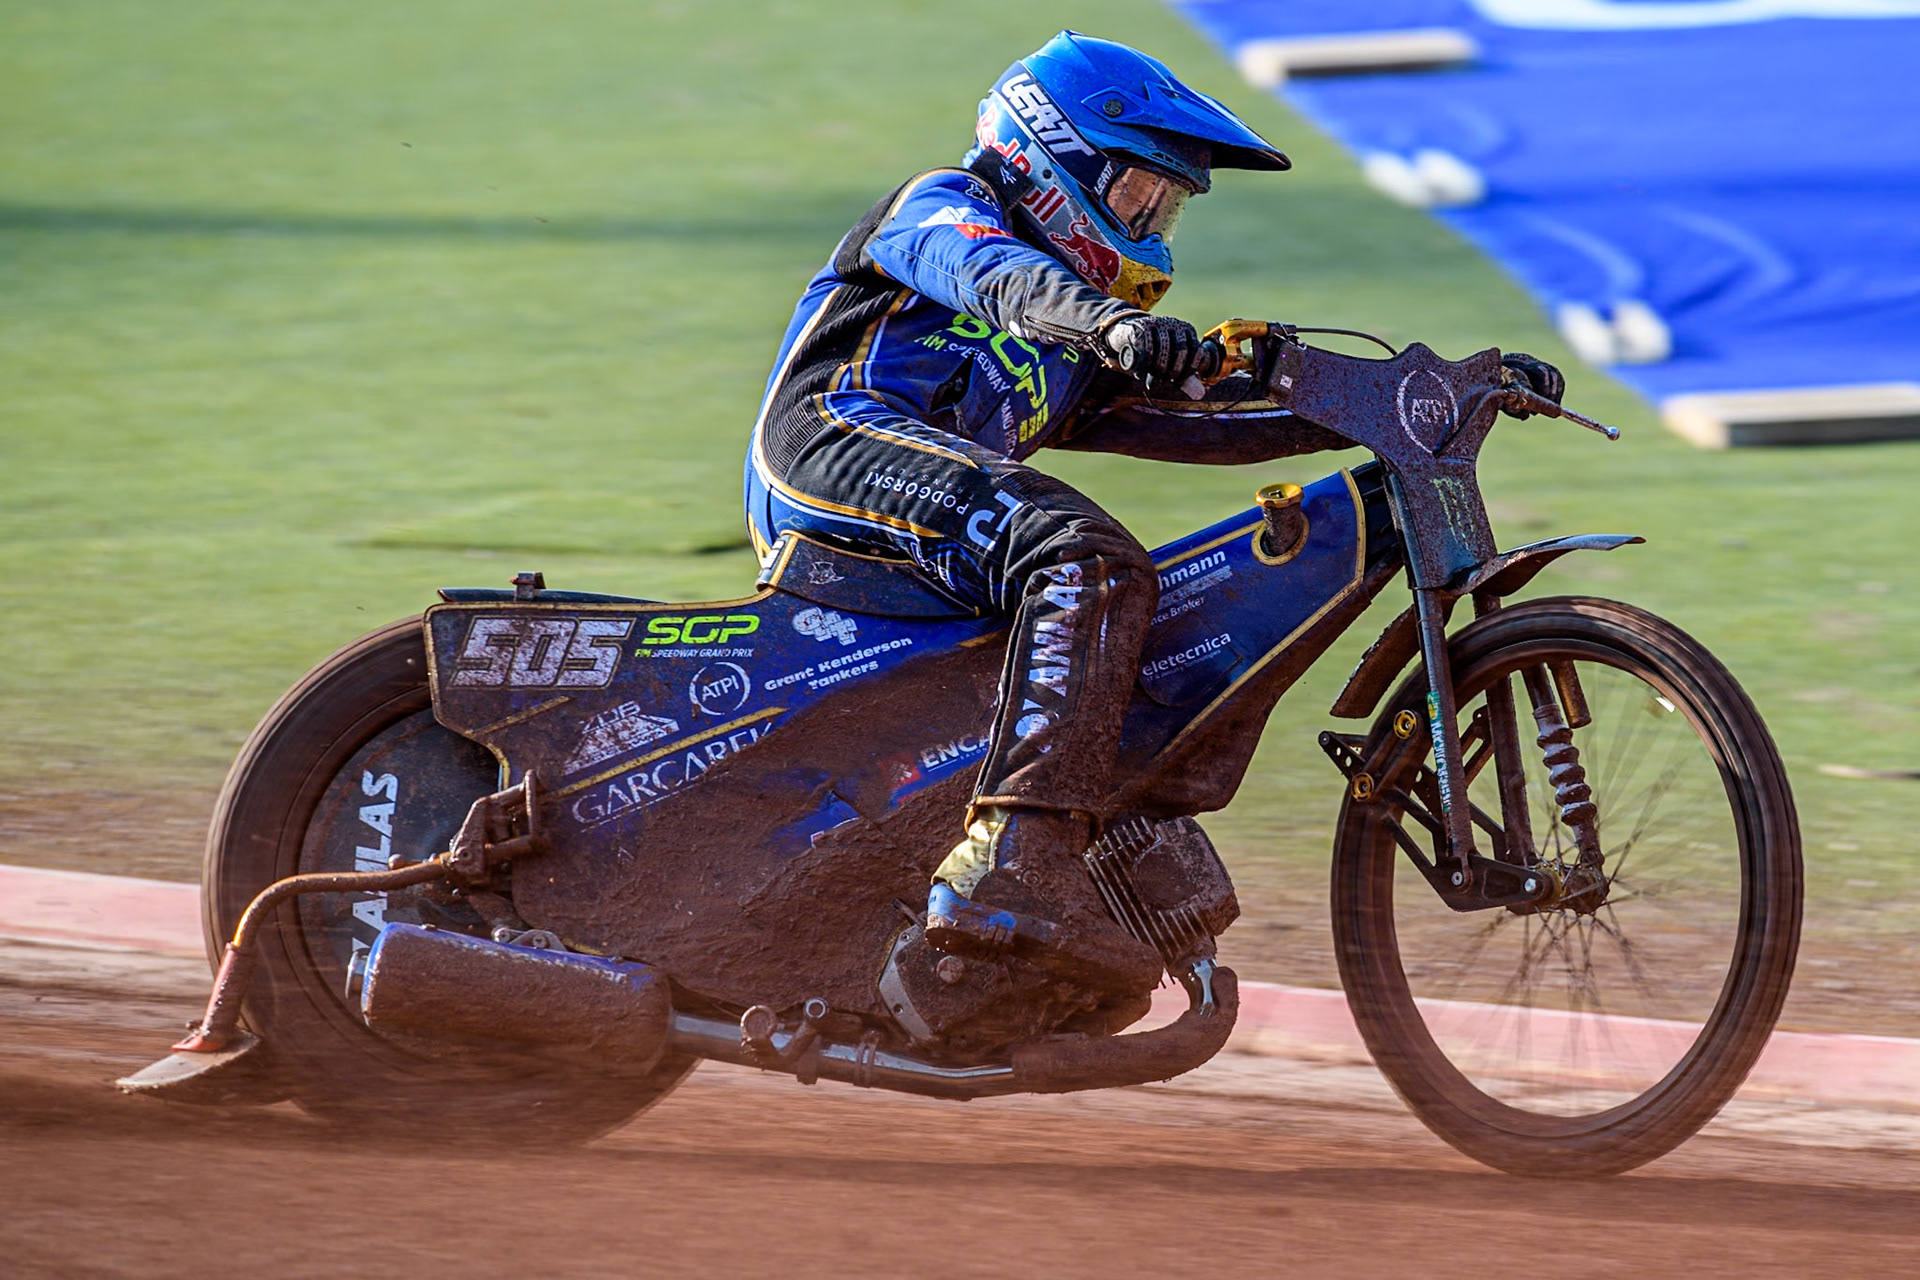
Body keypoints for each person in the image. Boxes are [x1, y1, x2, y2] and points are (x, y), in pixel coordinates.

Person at [743, 31, 1562, 1000]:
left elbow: (1193, 419)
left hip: (937, 525)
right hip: (828, 447)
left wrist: (1413, 400)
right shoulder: (944, 206)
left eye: (1166, 205)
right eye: (1139, 193)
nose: (1153, 220)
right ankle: (1011, 854)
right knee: (1085, 559)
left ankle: (1046, 878)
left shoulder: (1074, 344)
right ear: (1051, 160)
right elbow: (995, 277)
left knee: (1110, 655)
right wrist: (1106, 322)